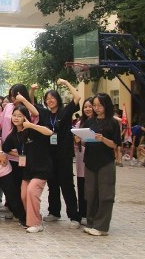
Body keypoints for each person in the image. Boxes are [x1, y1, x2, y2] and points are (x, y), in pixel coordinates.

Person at [37, 79, 81, 228]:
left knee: (67, 185)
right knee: (53, 184)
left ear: (58, 99)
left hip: (64, 155)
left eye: (52, 98)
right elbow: (31, 104)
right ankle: (54, 212)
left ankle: (74, 216)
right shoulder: (45, 114)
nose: (49, 101)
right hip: (50, 155)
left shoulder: (65, 111)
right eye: (47, 99)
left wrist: (66, 83)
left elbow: (77, 97)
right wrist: (32, 91)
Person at [3, 106, 53, 233]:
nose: (16, 118)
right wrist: (19, 155)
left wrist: (31, 125)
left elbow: (49, 132)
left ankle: (35, 223)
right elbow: (5, 148)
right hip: (27, 170)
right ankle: (34, 219)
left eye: (20, 116)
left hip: (41, 168)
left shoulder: (33, 130)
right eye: (14, 115)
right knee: (24, 195)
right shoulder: (13, 135)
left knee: (32, 191)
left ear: (26, 117)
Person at [82, 92, 122, 236]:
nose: (96, 108)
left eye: (100, 105)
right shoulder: (90, 122)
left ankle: (102, 227)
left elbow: (115, 144)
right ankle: (91, 222)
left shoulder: (112, 122)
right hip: (90, 161)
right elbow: (85, 142)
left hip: (105, 162)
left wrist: (103, 139)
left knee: (105, 194)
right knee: (91, 193)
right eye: (95, 105)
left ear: (106, 105)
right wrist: (80, 139)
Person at [74, 97, 94, 220]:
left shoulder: (99, 122)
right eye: (85, 107)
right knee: (81, 185)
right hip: (81, 158)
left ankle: (92, 213)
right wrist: (76, 141)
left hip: (94, 158)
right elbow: (76, 143)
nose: (87, 109)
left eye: (90, 106)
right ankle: (82, 212)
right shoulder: (79, 123)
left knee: (92, 186)